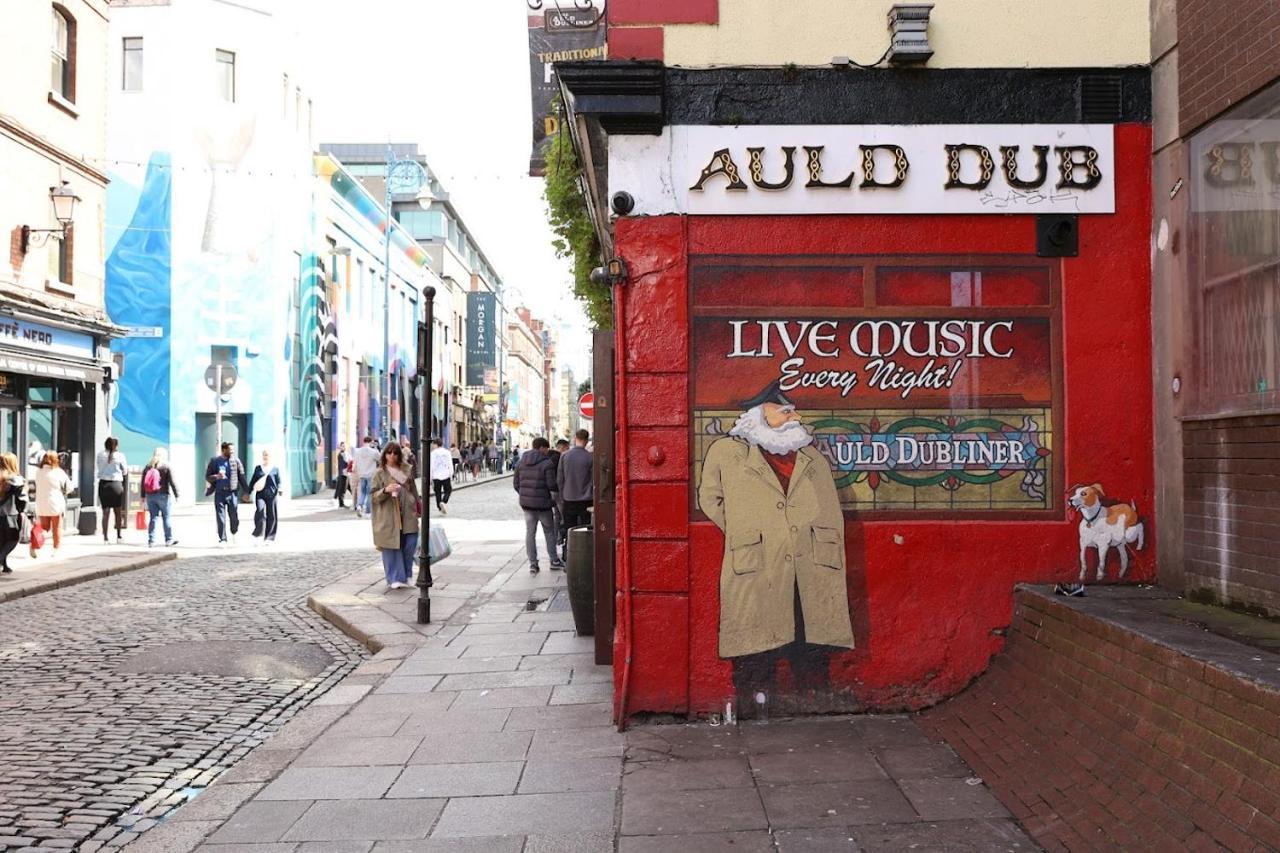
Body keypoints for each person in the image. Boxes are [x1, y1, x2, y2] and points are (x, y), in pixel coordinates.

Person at [697, 382, 854, 718]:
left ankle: (810, 710)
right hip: (756, 564)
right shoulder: (726, 452)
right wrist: (747, 529)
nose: (794, 416)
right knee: (755, 648)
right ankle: (755, 712)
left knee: (809, 642)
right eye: (785, 410)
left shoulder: (810, 455)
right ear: (760, 414)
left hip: (808, 564)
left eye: (793, 409)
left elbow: (828, 505)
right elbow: (710, 499)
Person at [371, 440, 420, 590]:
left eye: (395, 453)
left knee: (410, 544)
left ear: (399, 455)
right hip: (388, 515)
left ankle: (408, 575)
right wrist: (385, 490)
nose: (392, 455)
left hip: (408, 513)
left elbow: (413, 489)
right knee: (392, 546)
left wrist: (417, 505)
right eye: (389, 452)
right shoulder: (379, 474)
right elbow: (373, 496)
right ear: (384, 455)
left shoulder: (407, 469)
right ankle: (395, 578)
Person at [514, 437, 562, 573]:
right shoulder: (547, 463)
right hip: (543, 505)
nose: (547, 451)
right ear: (541, 447)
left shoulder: (521, 462)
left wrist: (524, 495)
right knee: (549, 532)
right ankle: (554, 560)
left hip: (527, 505)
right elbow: (551, 485)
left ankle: (533, 564)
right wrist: (553, 500)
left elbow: (516, 484)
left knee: (530, 533)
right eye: (546, 448)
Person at [558, 429, 595, 561]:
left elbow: (560, 479)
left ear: (575, 438)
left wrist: (562, 496)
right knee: (585, 529)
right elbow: (593, 480)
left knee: (569, 528)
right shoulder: (590, 457)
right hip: (586, 499)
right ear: (586, 440)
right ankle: (584, 556)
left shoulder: (565, 456)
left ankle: (568, 555)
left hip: (569, 497)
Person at [204, 441, 246, 546]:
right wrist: (217, 476)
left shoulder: (236, 461)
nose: (232, 452)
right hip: (219, 492)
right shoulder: (215, 461)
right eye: (230, 450)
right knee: (220, 517)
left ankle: (234, 532)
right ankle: (223, 539)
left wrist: (247, 491)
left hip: (232, 493)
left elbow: (242, 477)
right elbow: (207, 477)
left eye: (233, 450)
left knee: (234, 516)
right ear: (224, 450)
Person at [141, 447, 179, 548]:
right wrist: (177, 494)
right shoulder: (166, 466)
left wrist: (142, 496)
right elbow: (172, 482)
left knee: (153, 518)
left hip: (150, 496)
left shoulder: (147, 467)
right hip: (163, 495)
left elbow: (142, 483)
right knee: (166, 517)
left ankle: (151, 541)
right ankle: (168, 539)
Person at [96, 437, 127, 544]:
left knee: (105, 512)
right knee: (117, 512)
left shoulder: (100, 454)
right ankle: (119, 536)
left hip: (104, 484)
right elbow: (125, 471)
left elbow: (98, 466)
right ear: (116, 445)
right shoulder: (120, 456)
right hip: (116, 484)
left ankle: (105, 538)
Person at [248, 450, 282, 545]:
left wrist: (280, 489)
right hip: (260, 494)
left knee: (272, 514)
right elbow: (253, 481)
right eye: (264, 455)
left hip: (272, 494)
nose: (265, 457)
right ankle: (258, 533)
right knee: (260, 511)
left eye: (267, 455)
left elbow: (279, 481)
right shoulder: (258, 468)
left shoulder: (275, 469)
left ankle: (269, 537)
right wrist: (248, 492)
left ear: (271, 456)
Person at [0, 453, 26, 573]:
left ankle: (4, 564)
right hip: (9, 513)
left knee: (1, 540)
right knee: (12, 539)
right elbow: (22, 498)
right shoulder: (15, 479)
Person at [351, 436, 380, 517]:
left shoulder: (358, 452)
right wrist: (376, 448)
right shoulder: (373, 451)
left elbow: (355, 462)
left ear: (363, 442)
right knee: (369, 493)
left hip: (362, 474)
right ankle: (368, 511)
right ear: (371, 442)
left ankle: (359, 506)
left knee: (362, 492)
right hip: (371, 475)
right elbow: (380, 458)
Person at [550, 439, 569, 552]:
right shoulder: (560, 458)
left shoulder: (551, 458)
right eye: (566, 448)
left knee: (557, 516)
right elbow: (561, 477)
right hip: (559, 491)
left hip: (552, 491)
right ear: (562, 447)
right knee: (563, 515)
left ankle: (557, 538)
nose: (567, 450)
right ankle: (563, 538)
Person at [429, 438, 453, 515]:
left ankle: (439, 507)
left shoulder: (432, 454)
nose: (433, 446)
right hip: (446, 474)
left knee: (437, 492)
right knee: (448, 490)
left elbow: (431, 465)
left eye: (433, 444)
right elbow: (450, 464)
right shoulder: (447, 452)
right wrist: (451, 474)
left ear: (436, 444)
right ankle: (444, 501)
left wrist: (430, 477)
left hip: (436, 475)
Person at [334, 442, 349, 508]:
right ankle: (341, 504)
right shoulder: (341, 454)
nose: (343, 447)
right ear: (340, 447)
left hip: (346, 473)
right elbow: (345, 463)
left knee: (346, 488)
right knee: (342, 489)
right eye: (342, 446)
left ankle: (355, 502)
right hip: (343, 473)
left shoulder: (346, 453)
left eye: (344, 446)